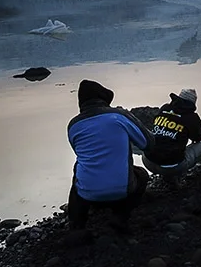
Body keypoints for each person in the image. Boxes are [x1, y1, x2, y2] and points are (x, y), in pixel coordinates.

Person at [66, 79, 154, 231]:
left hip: (87, 195)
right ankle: (121, 216)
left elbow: (81, 154)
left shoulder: (73, 125)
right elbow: (148, 143)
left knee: (79, 168)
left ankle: (77, 225)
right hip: (121, 191)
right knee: (142, 175)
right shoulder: (119, 117)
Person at [142, 88, 201, 184]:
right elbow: (197, 138)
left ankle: (166, 175)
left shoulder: (164, 108)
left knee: (160, 142)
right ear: (193, 103)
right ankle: (175, 176)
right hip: (172, 167)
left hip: (148, 161)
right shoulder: (191, 117)